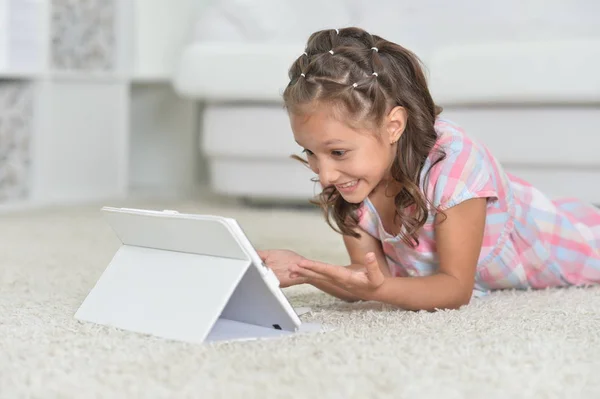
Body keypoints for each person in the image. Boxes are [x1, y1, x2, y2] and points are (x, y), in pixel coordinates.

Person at [257, 27, 600, 311]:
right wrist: (306, 270)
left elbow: (454, 289)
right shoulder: (351, 179)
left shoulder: (453, 170)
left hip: (559, 243)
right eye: (311, 152)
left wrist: (380, 291)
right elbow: (367, 277)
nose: (325, 174)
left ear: (393, 126)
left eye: (338, 152)